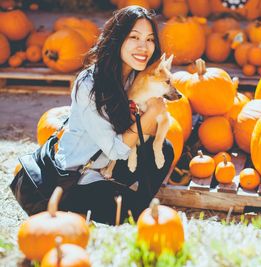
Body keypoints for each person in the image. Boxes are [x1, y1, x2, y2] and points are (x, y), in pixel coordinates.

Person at [54, 6, 174, 224]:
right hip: (77, 177)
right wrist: (152, 112)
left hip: (109, 165)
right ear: (117, 39)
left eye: (150, 39)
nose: (143, 47)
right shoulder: (89, 84)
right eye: (134, 37)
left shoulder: (135, 78)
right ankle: (86, 208)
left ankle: (134, 201)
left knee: (164, 149)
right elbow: (115, 148)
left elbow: (146, 131)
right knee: (134, 213)